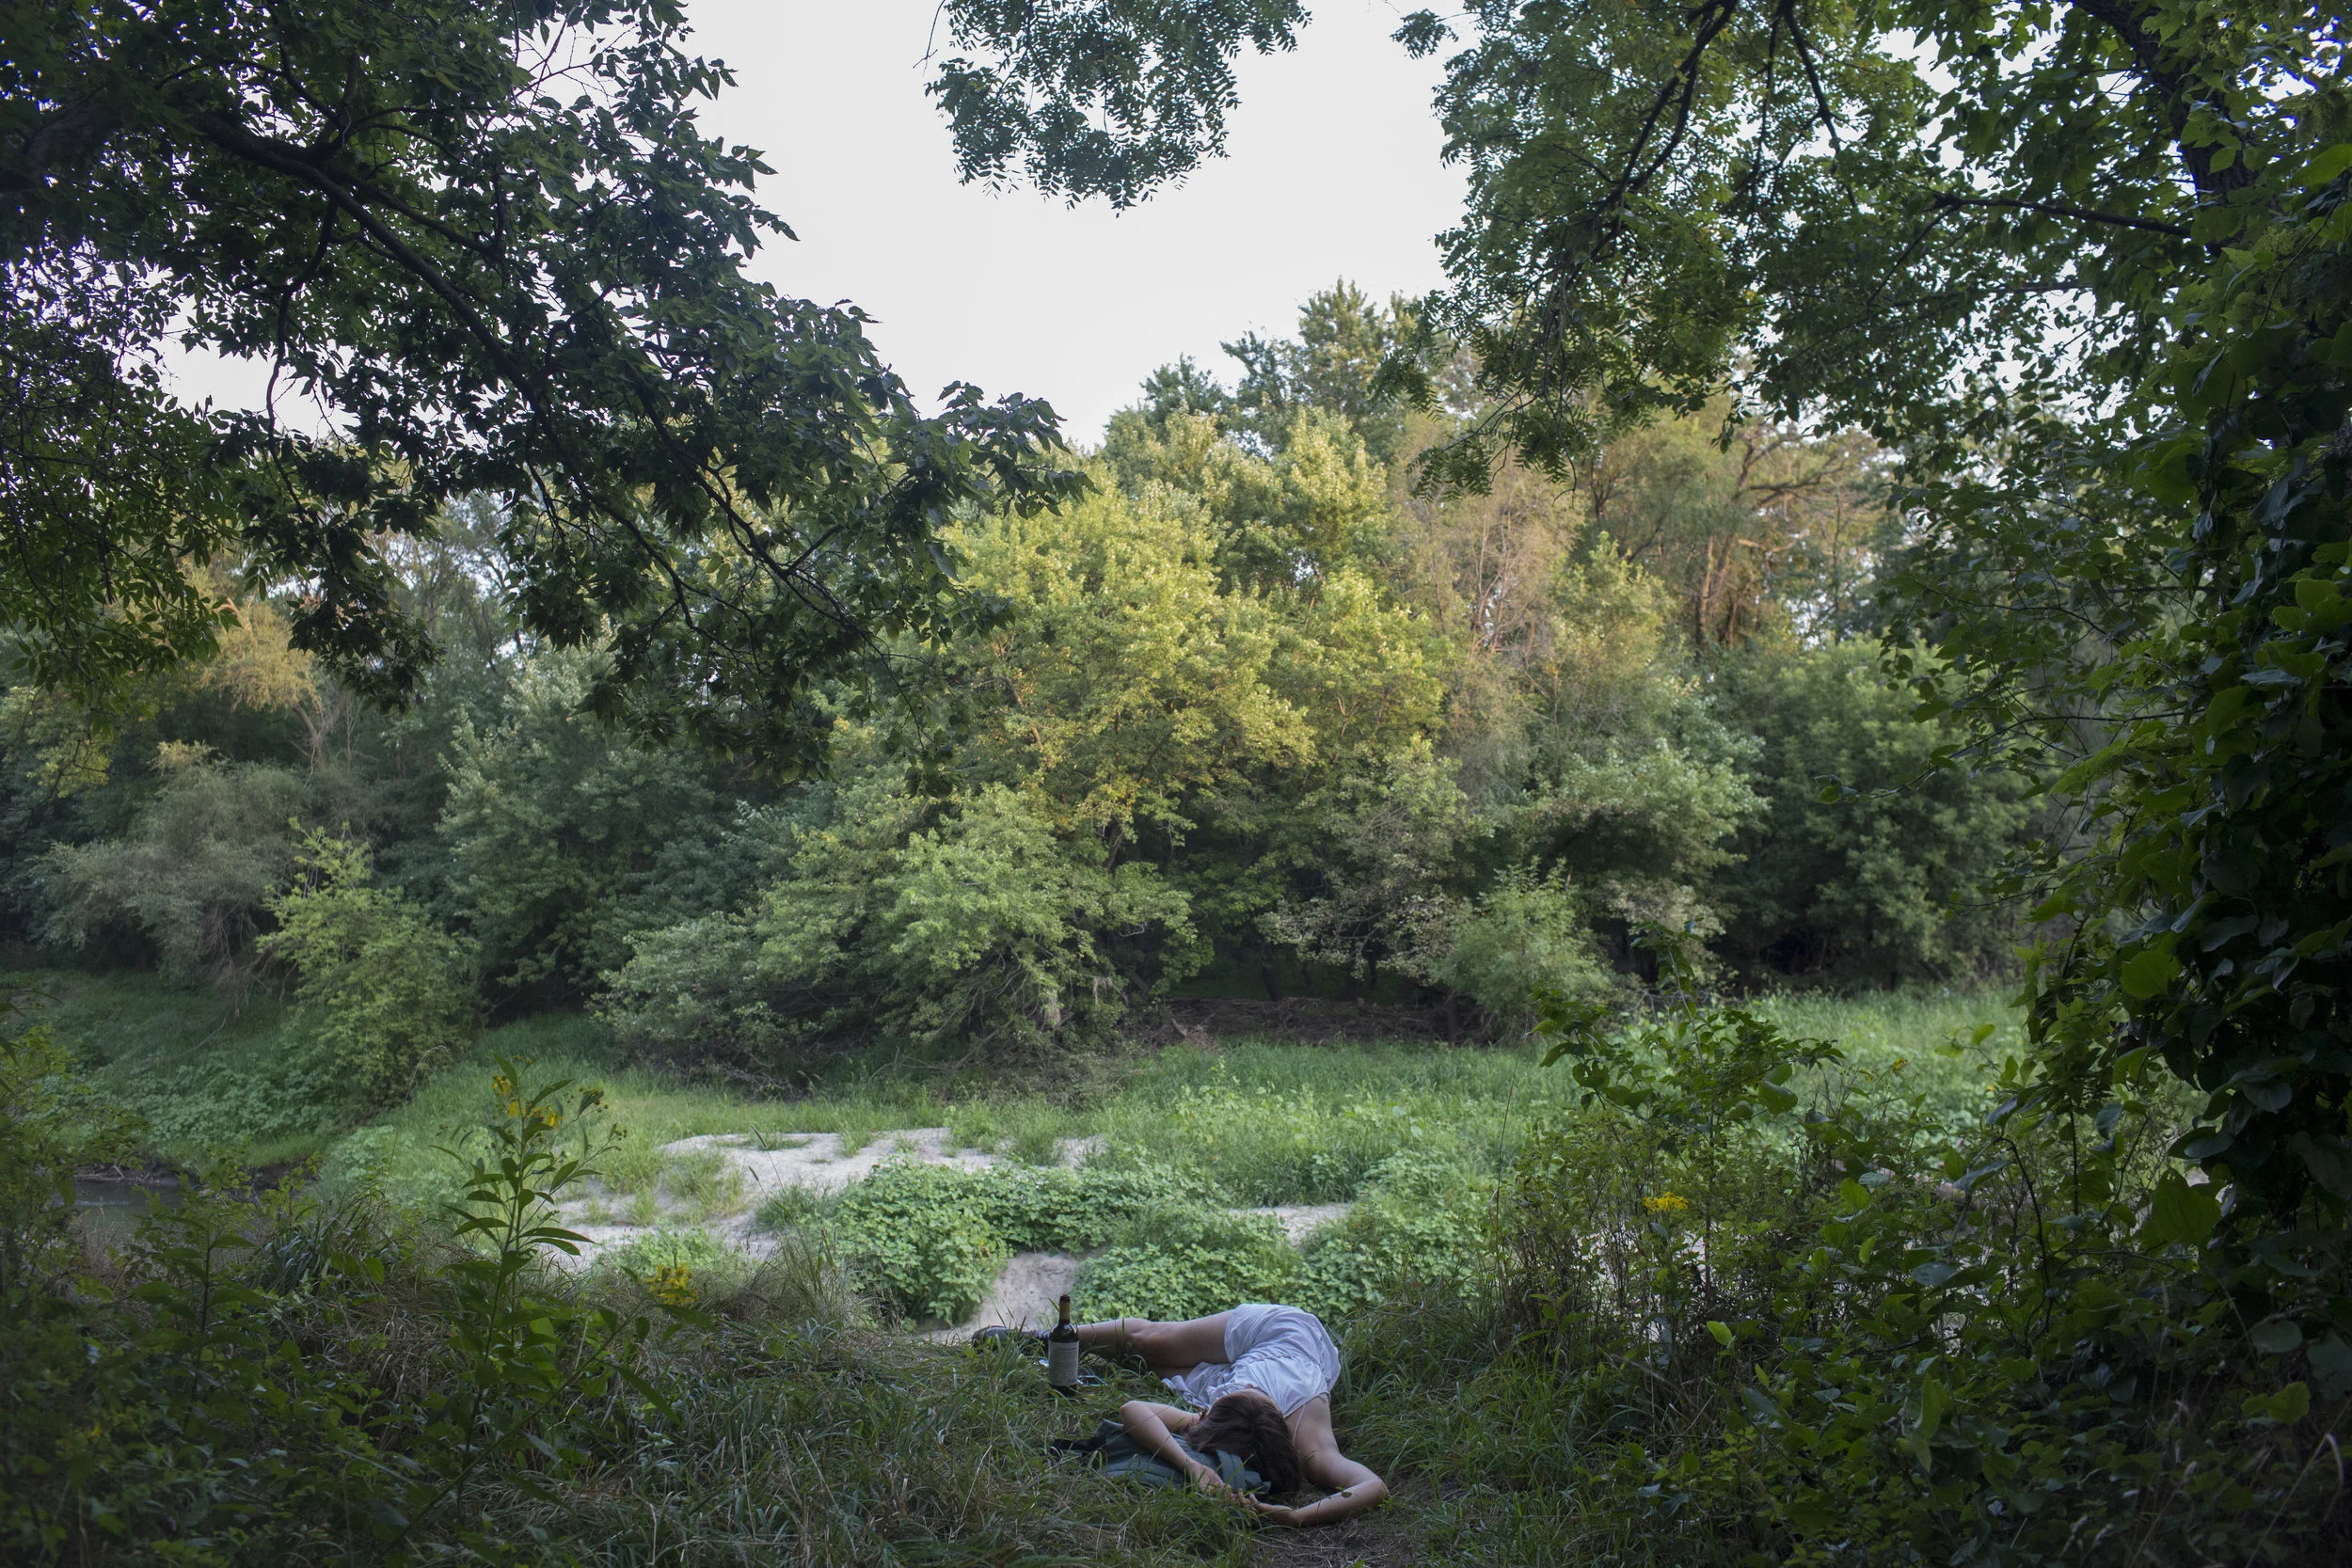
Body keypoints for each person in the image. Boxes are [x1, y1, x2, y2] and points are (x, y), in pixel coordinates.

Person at [1076, 1303, 1386, 1527]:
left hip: (1268, 1354)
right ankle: (1050, 1336)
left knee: (1153, 1365)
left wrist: (1297, 1517)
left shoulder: (1310, 1439)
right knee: (1149, 1341)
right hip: (1271, 1332)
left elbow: (1372, 1486)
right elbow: (1133, 1410)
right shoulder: (1230, 1412)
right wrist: (1192, 1465)